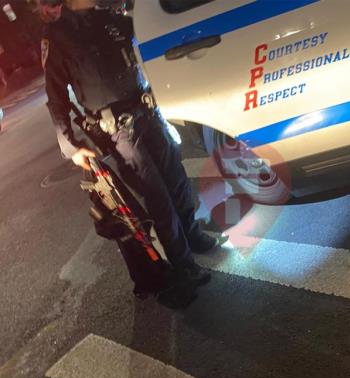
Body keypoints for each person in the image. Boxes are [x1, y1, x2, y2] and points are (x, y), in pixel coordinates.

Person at [40, 0, 225, 293]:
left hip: (147, 112)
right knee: (158, 196)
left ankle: (192, 235)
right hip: (118, 131)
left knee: (176, 180)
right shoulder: (58, 36)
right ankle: (183, 263)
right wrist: (71, 146)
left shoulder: (112, 18)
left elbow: (151, 37)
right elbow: (56, 98)